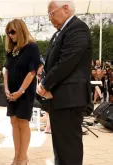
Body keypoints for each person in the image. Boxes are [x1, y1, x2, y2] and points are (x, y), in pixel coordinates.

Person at [37, 1, 92, 165]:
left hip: (69, 99)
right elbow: (51, 63)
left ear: (66, 9)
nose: (49, 18)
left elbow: (66, 62)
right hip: (59, 99)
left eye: (51, 13)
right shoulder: (61, 32)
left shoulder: (78, 28)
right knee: (60, 149)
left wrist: (44, 84)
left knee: (69, 149)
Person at [4, 19, 40, 165]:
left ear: (21, 30)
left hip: (25, 91)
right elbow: (6, 70)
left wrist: (21, 91)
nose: (10, 35)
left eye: (12, 31)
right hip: (11, 91)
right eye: (8, 32)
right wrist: (6, 88)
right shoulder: (11, 50)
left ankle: (23, 158)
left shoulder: (32, 47)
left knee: (23, 122)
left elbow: (32, 72)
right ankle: (16, 156)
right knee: (13, 121)